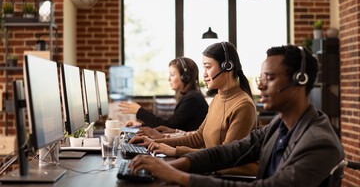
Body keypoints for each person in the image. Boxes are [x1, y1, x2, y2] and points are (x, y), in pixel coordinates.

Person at [129, 45, 344, 187]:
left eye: (269, 77)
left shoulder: (319, 142)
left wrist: (180, 176)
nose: (260, 85)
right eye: (261, 77)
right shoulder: (280, 125)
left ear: (300, 79)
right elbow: (228, 152)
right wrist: (171, 166)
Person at [130, 42, 258, 175]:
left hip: (228, 176)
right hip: (209, 168)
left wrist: (175, 151)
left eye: (208, 67)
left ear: (227, 66)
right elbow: (197, 138)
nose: (204, 75)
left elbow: (224, 156)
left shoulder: (243, 105)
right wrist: (155, 142)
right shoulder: (217, 100)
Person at [118, 57, 208, 131]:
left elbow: (169, 127)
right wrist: (141, 125)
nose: (169, 79)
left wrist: (139, 111)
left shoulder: (192, 99)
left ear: (185, 77)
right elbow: (171, 126)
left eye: (172, 75)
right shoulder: (190, 96)